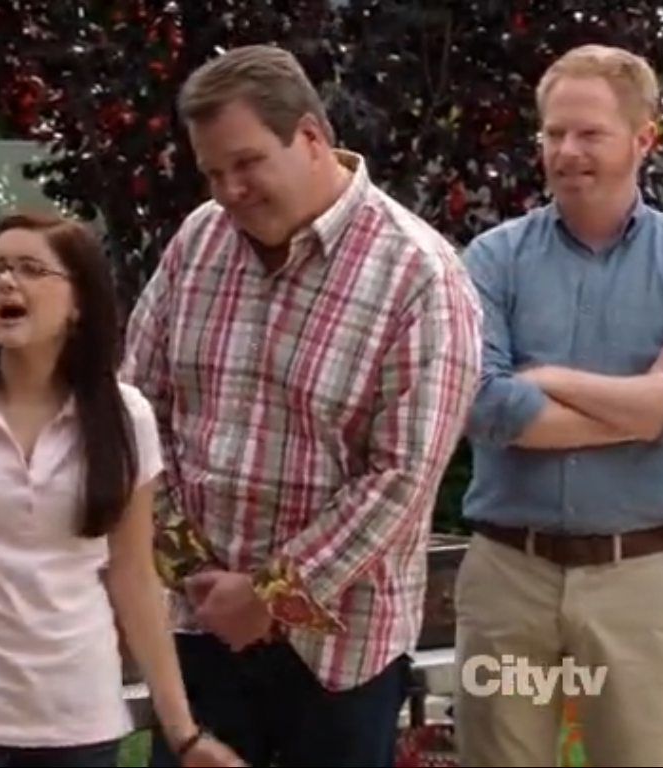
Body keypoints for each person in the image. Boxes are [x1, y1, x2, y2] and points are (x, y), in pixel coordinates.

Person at [122, 44, 483, 767]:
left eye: (247, 163)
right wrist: (193, 571)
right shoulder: (197, 243)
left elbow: (401, 477)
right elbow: (137, 411)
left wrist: (268, 595)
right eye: (212, 172)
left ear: (312, 137)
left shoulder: (419, 275)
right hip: (199, 629)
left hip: (340, 657)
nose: (229, 191)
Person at [455, 45, 663, 767]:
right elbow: (485, 404)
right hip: (510, 584)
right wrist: (646, 400)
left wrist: (550, 376)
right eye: (554, 133)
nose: (566, 151)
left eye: (590, 133)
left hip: (636, 586)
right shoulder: (492, 259)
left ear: (643, 138)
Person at [0, 212, 243, 768]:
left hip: (78, 717)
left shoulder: (124, 417)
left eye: (31, 269)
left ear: (78, 302)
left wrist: (183, 734)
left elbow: (134, 576)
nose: (6, 282)